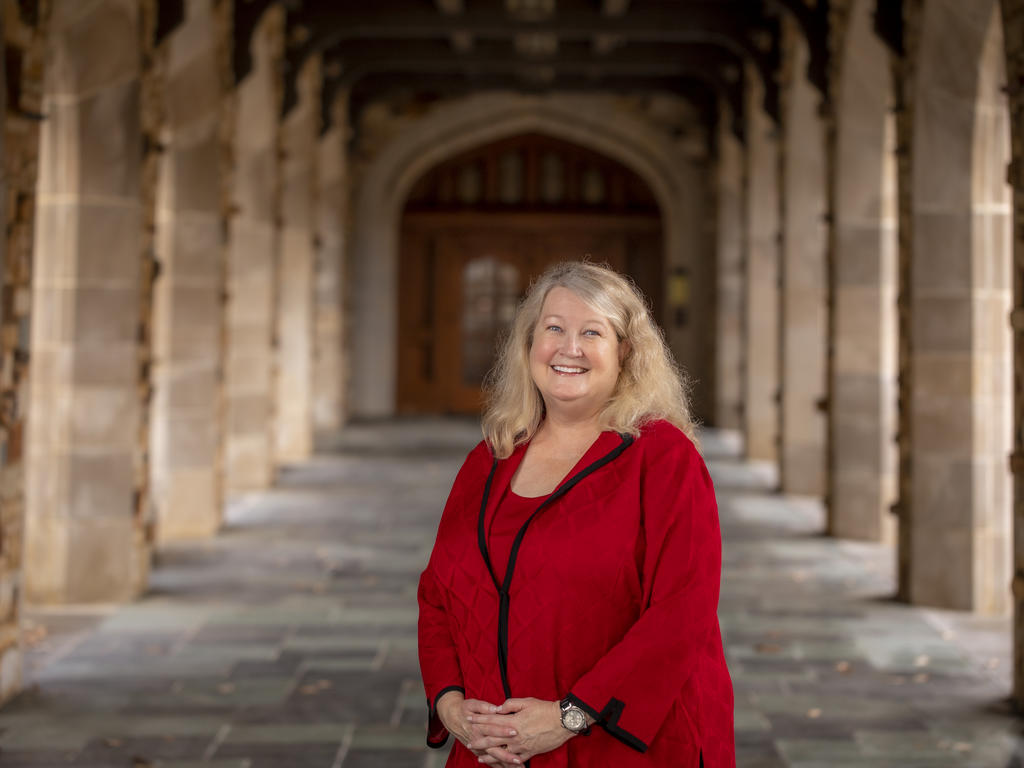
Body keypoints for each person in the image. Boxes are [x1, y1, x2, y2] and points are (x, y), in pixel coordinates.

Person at [418, 261, 734, 767]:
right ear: (529, 345)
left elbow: (683, 610)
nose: (570, 349)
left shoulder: (663, 458)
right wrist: (450, 702)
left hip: (621, 746)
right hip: (493, 753)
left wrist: (570, 715)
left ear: (624, 351)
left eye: (592, 332)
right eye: (554, 329)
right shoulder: (492, 457)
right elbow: (438, 593)